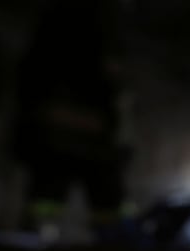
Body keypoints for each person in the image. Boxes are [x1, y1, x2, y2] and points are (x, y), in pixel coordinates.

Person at [14, 0, 132, 233]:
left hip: (87, 142)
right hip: (62, 141)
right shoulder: (67, 27)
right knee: (47, 208)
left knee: (108, 211)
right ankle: (40, 249)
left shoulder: (104, 26)